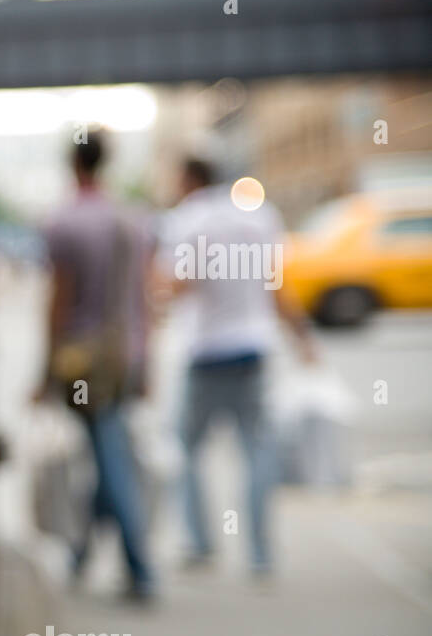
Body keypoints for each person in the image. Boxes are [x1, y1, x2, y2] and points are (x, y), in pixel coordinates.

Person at [154, 157, 317, 576]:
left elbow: (174, 285)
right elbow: (275, 284)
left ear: (189, 178)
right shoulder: (259, 216)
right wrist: (303, 337)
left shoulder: (187, 219)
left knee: (187, 449)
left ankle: (200, 542)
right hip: (254, 348)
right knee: (257, 450)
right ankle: (260, 554)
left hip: (206, 351)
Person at [38, 129, 156, 601]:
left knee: (108, 458)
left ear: (73, 165)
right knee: (108, 451)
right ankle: (82, 553)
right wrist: (149, 366)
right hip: (126, 354)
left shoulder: (63, 222)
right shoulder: (133, 219)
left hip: (82, 361)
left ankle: (140, 567)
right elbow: (145, 302)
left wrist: (42, 371)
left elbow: (57, 305)